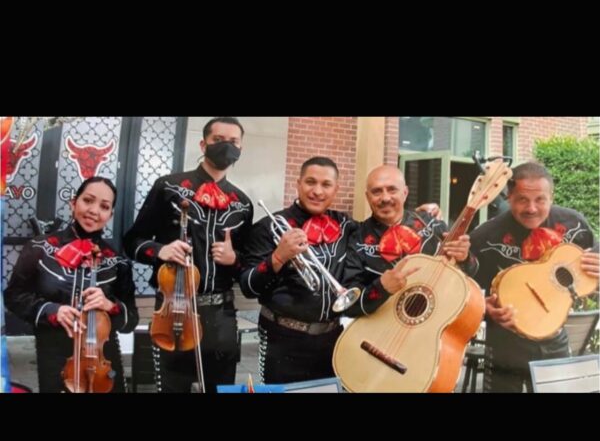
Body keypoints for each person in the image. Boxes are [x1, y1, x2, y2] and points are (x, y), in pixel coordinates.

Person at [240, 158, 443, 384]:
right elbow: (248, 287)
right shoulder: (269, 226)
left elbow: (383, 223)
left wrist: (417, 217)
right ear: (298, 184)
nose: (317, 191)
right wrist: (278, 257)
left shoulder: (347, 225)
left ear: (336, 189)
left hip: (332, 339)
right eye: (310, 182)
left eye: (326, 185)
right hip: (282, 338)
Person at [123, 117, 253, 393]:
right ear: (203, 143)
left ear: (241, 148)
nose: (226, 147)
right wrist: (160, 250)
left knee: (220, 389)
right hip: (173, 310)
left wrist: (234, 259)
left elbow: (248, 264)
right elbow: (131, 241)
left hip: (221, 314)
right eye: (218, 140)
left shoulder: (243, 203)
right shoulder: (168, 187)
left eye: (233, 142)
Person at [469, 162, 599, 392]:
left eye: (540, 199)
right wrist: (483, 308)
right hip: (503, 345)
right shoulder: (485, 237)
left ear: (551, 196)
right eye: (522, 199)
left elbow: (593, 270)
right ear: (509, 197)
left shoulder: (574, 225)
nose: (531, 208)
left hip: (554, 338)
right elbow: (462, 289)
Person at [4, 177, 139, 393]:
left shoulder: (117, 261)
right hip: (55, 354)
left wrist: (109, 305)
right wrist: (52, 310)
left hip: (103, 360)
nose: (94, 211)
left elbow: (131, 319)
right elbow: (13, 296)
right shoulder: (40, 248)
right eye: (88, 201)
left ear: (110, 215)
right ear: (73, 203)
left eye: (104, 206)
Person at [342, 165, 475, 318]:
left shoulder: (432, 225)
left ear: (405, 192)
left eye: (392, 189)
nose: (385, 198)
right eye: (376, 191)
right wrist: (380, 289)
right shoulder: (357, 239)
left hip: (433, 323)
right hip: (384, 332)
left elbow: (471, 271)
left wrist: (465, 257)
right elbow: (348, 305)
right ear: (367, 197)